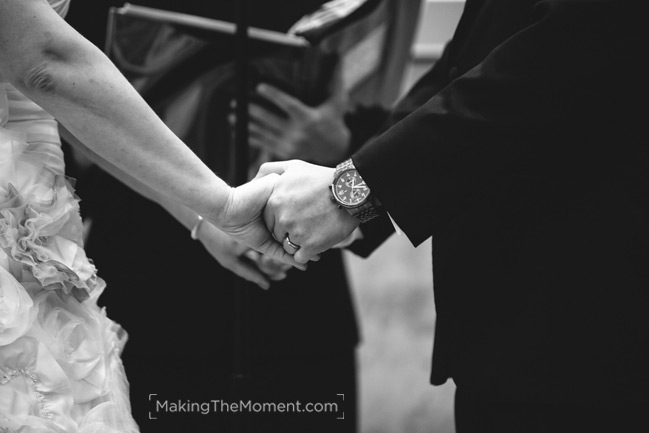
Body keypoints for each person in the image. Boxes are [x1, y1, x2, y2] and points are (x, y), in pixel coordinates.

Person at [256, 0, 649, 432]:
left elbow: (541, 69)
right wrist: (350, 170)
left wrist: (352, 191)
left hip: (587, 327)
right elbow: (460, 67)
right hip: (503, 329)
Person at [0, 0, 302, 430]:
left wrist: (202, 217)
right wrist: (224, 204)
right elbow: (46, 65)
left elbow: (71, 108)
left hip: (34, 241)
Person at [63, 1, 360, 431]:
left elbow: (383, 96)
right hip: (149, 299)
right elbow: (60, 103)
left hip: (300, 307)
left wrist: (340, 147)